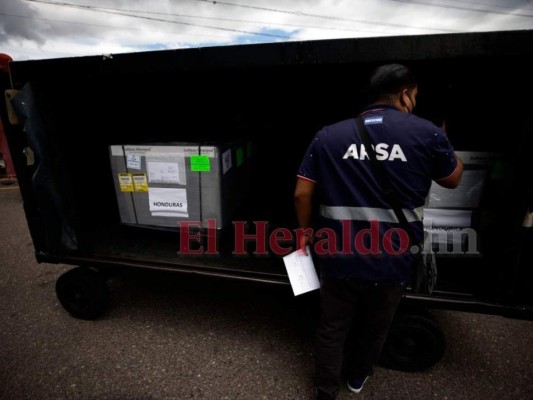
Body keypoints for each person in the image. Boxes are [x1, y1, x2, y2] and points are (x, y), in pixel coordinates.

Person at [294, 63, 463, 399]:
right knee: (376, 327)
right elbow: (453, 179)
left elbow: (302, 193)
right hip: (393, 257)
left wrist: (304, 232)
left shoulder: (329, 135)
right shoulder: (428, 132)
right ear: (405, 93)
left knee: (332, 327)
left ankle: (325, 390)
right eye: (414, 95)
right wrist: (445, 141)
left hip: (338, 254)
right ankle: (357, 377)